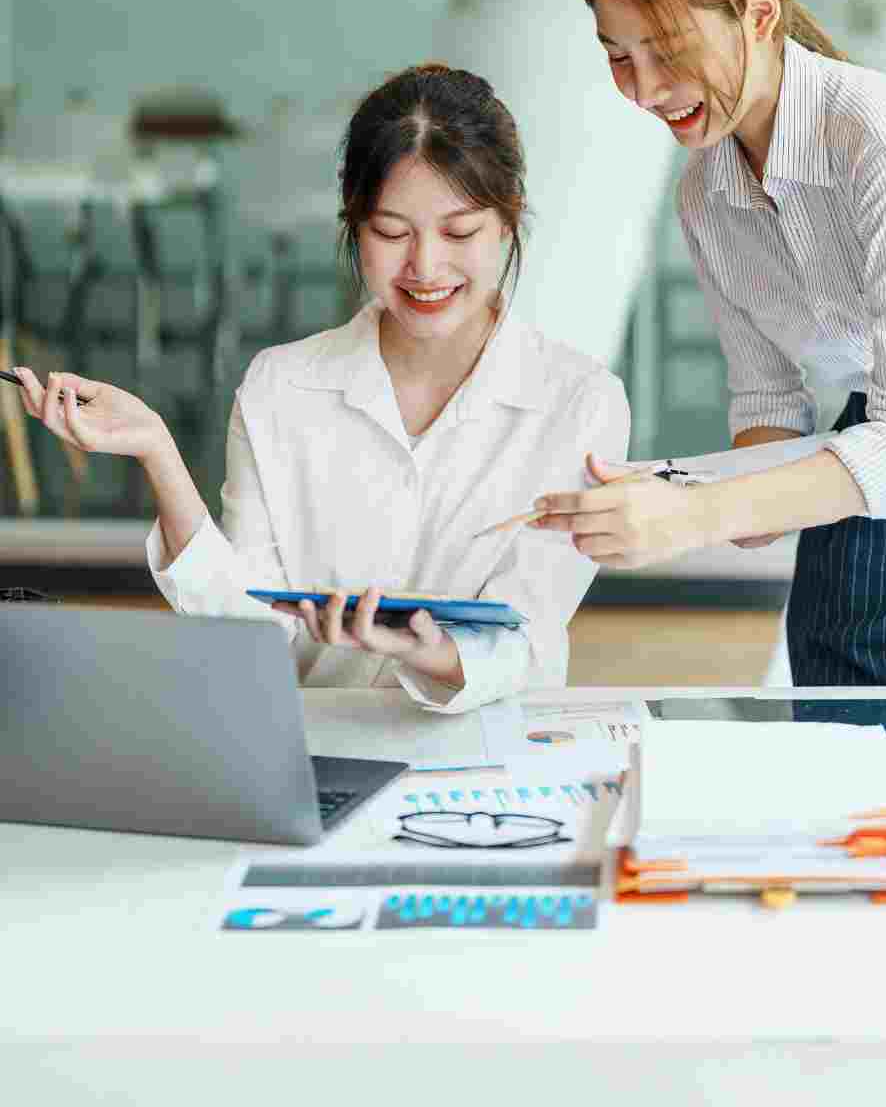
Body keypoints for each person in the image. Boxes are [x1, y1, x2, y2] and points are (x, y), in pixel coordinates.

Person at [534, 0, 886, 686]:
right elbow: (770, 406)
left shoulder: (880, 138)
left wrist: (693, 515)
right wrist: (674, 491)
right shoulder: (706, 194)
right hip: (869, 451)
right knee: (842, 761)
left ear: (759, 14)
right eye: (620, 58)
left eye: (669, 50)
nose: (646, 90)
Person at [16, 64, 628, 713]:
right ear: (354, 227)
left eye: (459, 232)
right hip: (319, 752)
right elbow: (250, 631)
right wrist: (156, 452)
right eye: (391, 232)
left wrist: (423, 651)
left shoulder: (580, 402)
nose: (425, 266)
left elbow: (526, 634)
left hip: (496, 763)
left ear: (507, 222)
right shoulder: (282, 387)